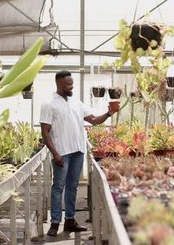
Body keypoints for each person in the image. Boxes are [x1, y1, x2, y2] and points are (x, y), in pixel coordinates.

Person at [39, 70, 120, 236]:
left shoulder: (77, 102)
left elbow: (94, 120)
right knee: (58, 186)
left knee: (73, 187)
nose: (72, 86)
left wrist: (109, 113)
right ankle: (55, 222)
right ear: (59, 84)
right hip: (62, 152)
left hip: (78, 151)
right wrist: (55, 153)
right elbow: (45, 132)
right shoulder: (49, 104)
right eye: (68, 83)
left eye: (72, 83)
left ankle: (70, 220)